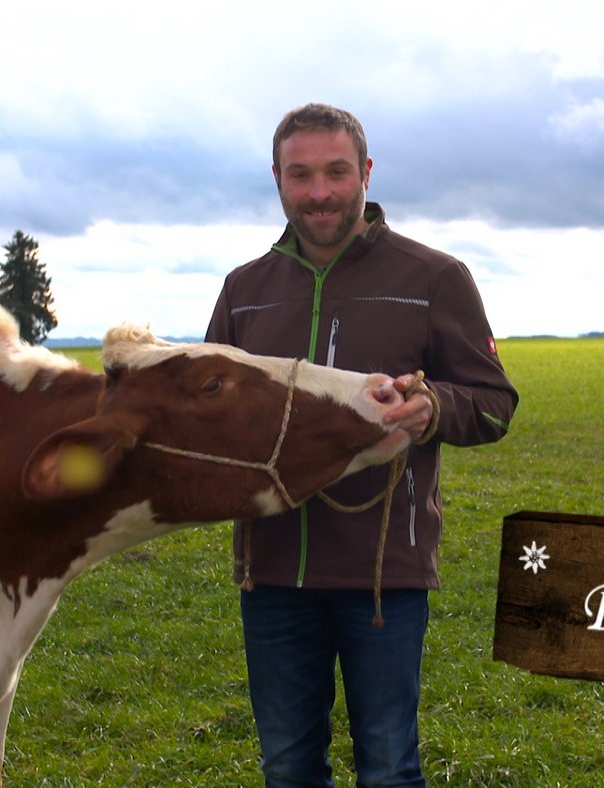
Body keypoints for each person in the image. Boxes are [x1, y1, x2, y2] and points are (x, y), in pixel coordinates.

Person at [205, 103, 518, 787]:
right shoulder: (244, 290)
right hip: (273, 575)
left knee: (388, 769)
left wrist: (433, 407)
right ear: (277, 178)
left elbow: (496, 405)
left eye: (336, 172)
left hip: (385, 579)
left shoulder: (434, 278)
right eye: (301, 175)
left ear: (366, 173)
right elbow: (209, 418)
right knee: (287, 768)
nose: (319, 192)